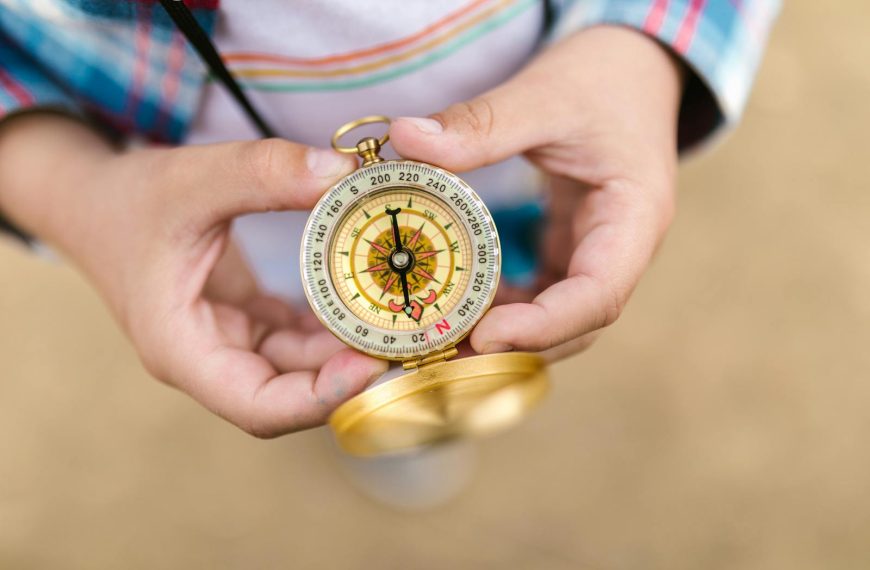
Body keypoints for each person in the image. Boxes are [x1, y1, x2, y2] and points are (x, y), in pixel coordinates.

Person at [0, 0, 779, 438]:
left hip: (533, 155)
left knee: (515, 270)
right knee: (324, 346)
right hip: (235, 242)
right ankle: (398, 403)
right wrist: (76, 190)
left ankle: (422, 393)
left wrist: (639, 48)